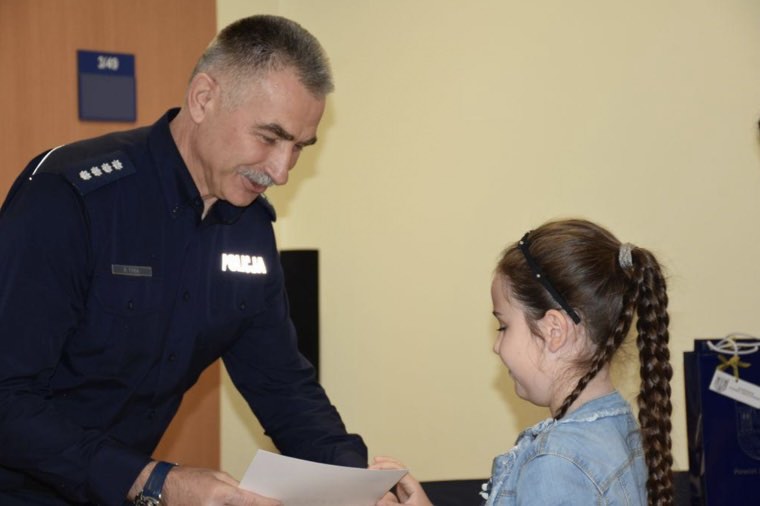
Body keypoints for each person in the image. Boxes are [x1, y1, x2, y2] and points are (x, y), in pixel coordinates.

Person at [0, 14, 366, 506]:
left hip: (113, 489)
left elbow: (282, 385)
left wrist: (356, 484)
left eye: (298, 147)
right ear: (203, 98)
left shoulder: (249, 225)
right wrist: (155, 481)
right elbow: (6, 396)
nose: (282, 171)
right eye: (268, 137)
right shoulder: (71, 198)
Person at [373, 219, 673, 505]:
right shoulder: (619, 426)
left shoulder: (557, 465)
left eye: (503, 326)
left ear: (554, 331)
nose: (496, 346)